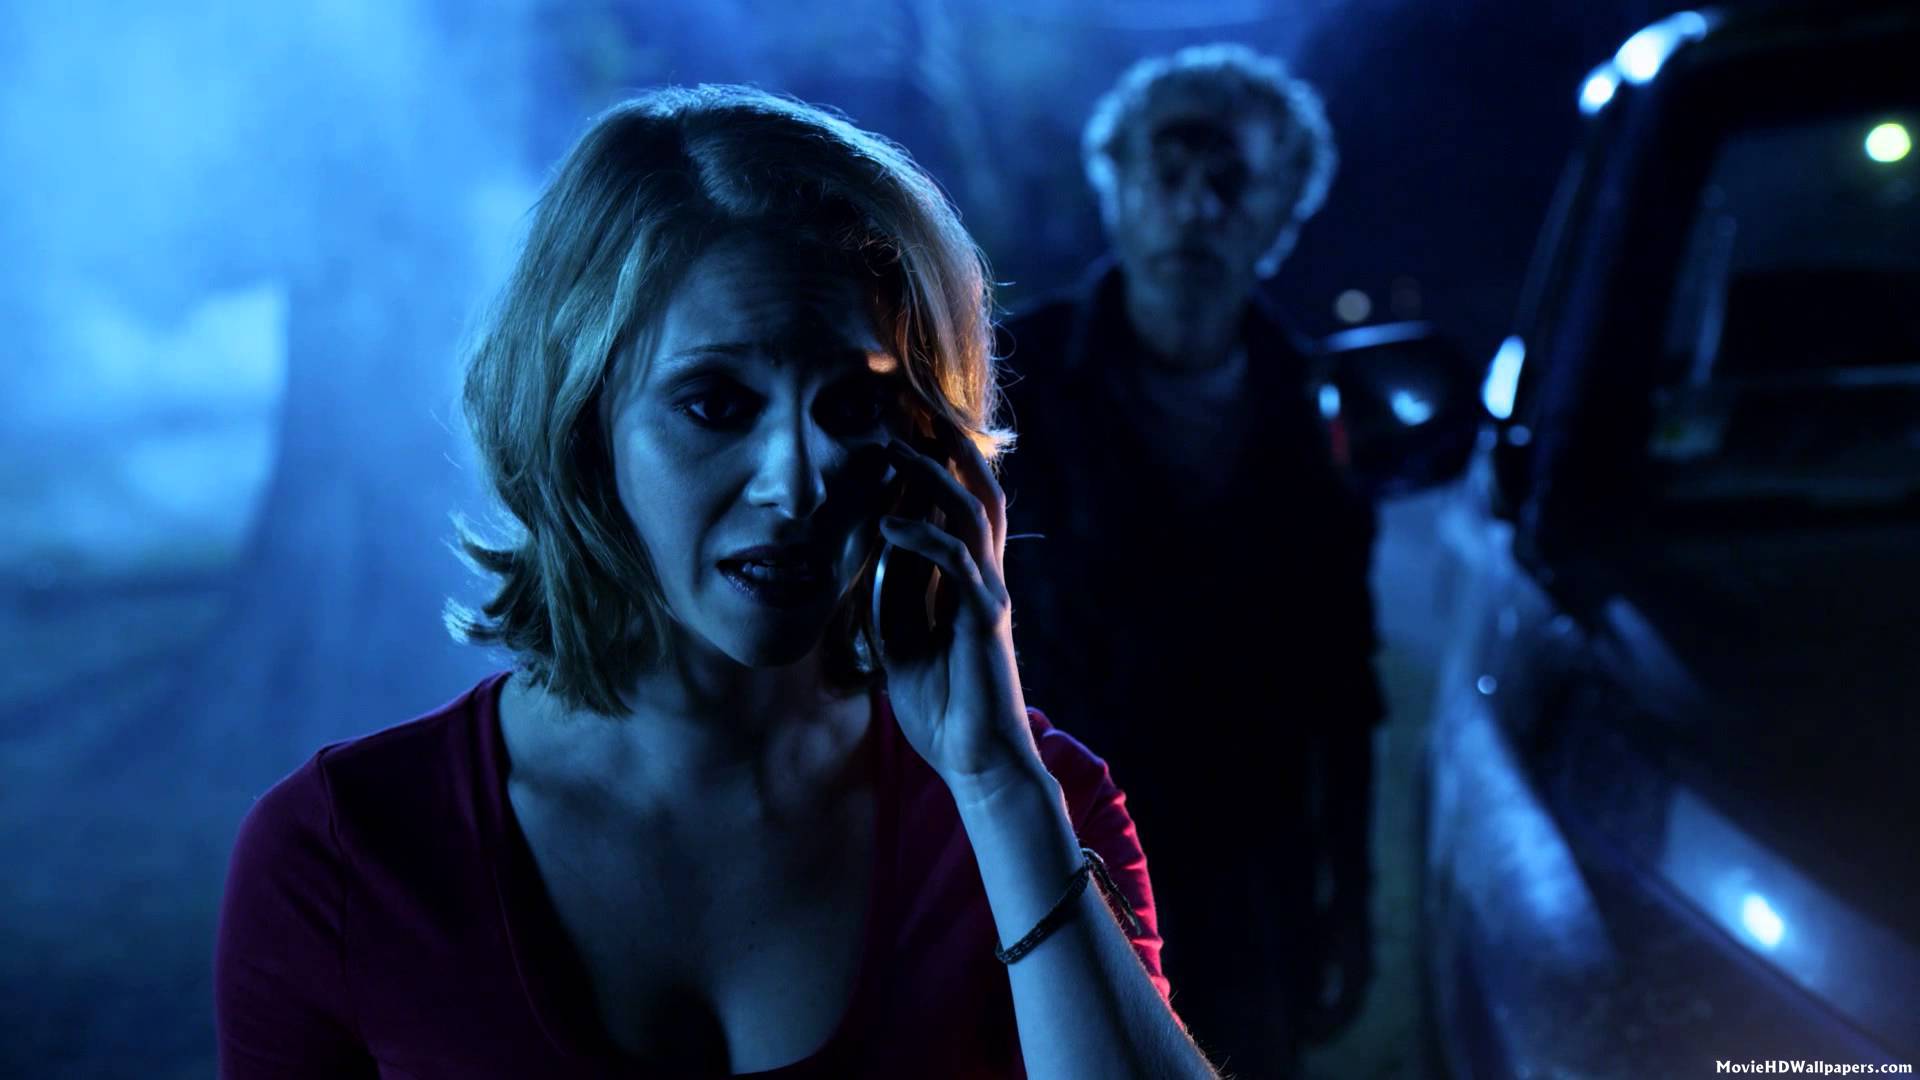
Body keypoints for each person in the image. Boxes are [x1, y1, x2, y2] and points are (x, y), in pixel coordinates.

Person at [213, 86, 1222, 1080]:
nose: (799, 481)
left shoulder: (1035, 803)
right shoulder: (346, 853)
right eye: (716, 403)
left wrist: (997, 786)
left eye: (853, 405)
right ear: (581, 421)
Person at [999, 45, 1383, 1076]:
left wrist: (1347, 897)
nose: (1196, 209)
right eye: (1168, 174)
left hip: (1248, 879)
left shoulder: (1316, 408)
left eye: (1230, 181)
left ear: (1282, 208)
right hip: (1050, 853)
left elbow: (1342, 682)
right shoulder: (1009, 386)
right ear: (1117, 185)